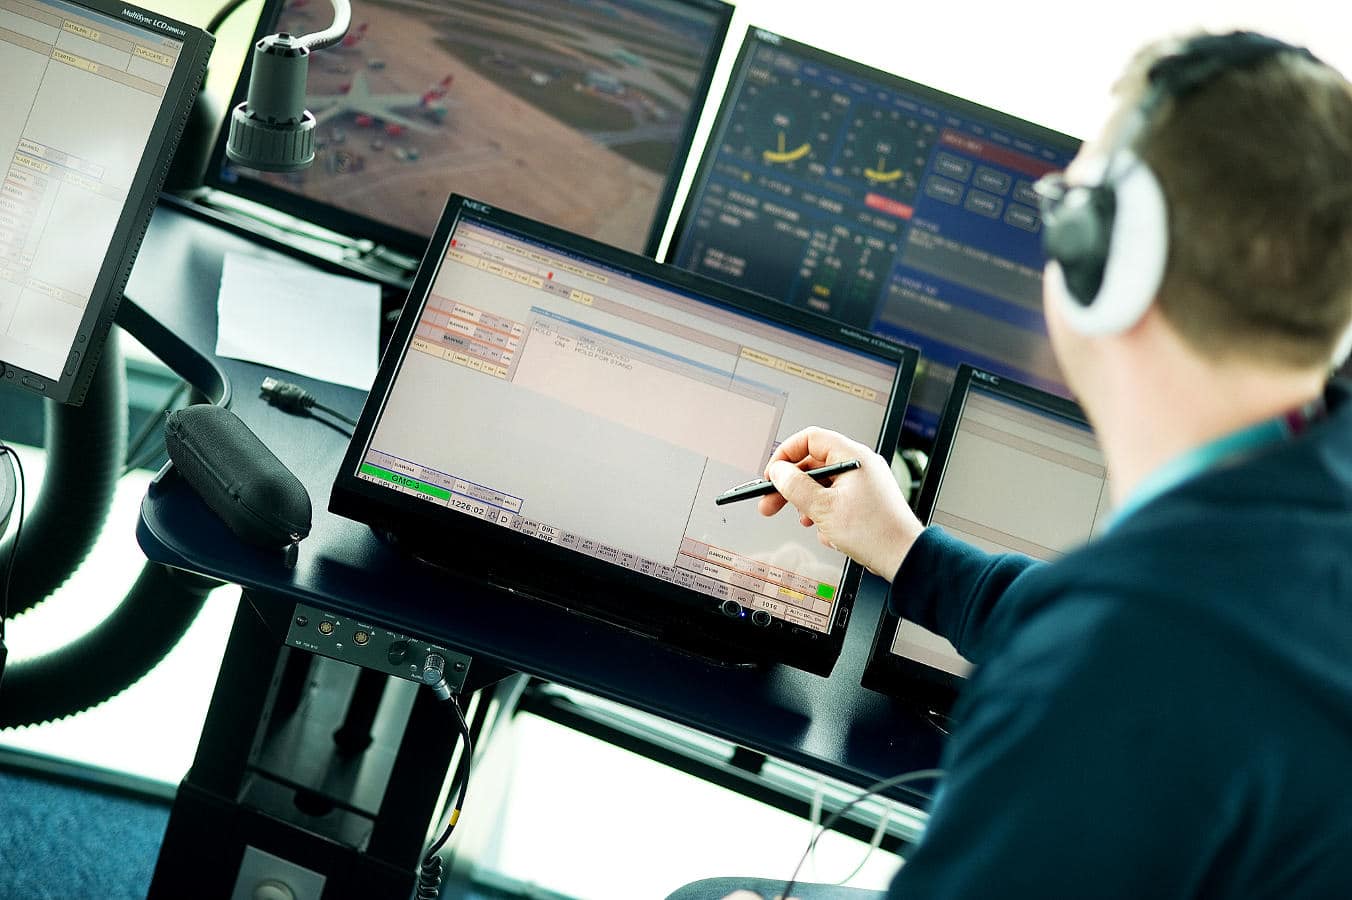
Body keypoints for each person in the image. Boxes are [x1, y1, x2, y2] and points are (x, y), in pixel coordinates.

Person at [677, 29, 1352, 900]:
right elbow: (1142, 632)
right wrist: (907, 552)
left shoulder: (1110, 672)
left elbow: (1127, 654)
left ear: (1101, 260)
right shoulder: (1290, 520)